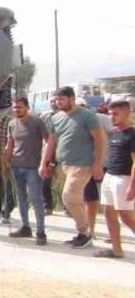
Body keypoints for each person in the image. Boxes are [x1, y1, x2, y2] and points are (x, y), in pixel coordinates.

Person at [39, 86, 104, 249]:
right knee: (76, 200)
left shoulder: (87, 116)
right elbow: (51, 143)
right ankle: (83, 233)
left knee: (69, 196)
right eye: (56, 100)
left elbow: (100, 141)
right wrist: (44, 163)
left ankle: (86, 232)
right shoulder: (56, 118)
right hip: (63, 165)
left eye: (62, 99)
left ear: (72, 98)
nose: (58, 103)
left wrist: (97, 163)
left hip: (82, 165)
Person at [3, 97, 49, 244]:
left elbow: (48, 141)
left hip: (33, 167)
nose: (17, 110)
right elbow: (10, 145)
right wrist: (5, 166)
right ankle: (25, 227)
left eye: (20, 107)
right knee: (21, 199)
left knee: (36, 199)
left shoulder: (37, 122)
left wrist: (47, 162)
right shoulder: (11, 123)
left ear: (27, 107)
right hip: (16, 166)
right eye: (15, 107)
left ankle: (41, 231)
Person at [94, 100, 135, 258]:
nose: (112, 117)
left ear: (126, 114)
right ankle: (116, 250)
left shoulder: (132, 135)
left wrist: (132, 186)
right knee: (109, 213)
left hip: (123, 179)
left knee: (125, 216)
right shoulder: (116, 133)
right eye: (110, 113)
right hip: (109, 176)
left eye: (116, 113)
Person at [84, 98, 114, 239]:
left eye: (83, 106)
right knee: (89, 200)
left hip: (106, 165)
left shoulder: (102, 118)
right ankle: (91, 231)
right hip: (86, 166)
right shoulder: (75, 123)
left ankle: (112, 233)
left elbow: (113, 135)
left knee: (108, 202)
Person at [40, 97, 60, 215]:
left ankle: (69, 208)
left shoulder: (66, 116)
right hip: (47, 151)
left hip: (62, 152)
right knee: (45, 181)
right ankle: (47, 206)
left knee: (65, 181)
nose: (53, 104)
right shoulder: (45, 116)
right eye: (51, 101)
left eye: (55, 101)